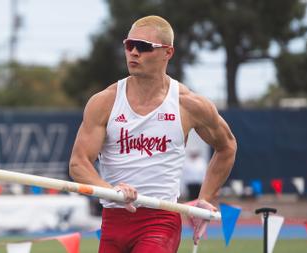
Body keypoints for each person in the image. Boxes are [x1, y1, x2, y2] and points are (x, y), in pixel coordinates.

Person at [69, 15, 237, 253]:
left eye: (144, 47)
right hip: (112, 221)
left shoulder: (188, 104)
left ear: (168, 53)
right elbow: (78, 163)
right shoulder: (104, 102)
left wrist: (205, 198)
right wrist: (110, 190)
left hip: (160, 221)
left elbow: (227, 146)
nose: (134, 52)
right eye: (129, 45)